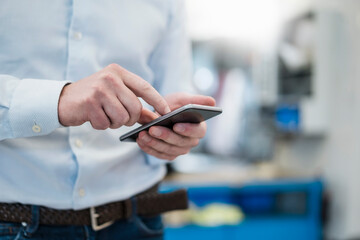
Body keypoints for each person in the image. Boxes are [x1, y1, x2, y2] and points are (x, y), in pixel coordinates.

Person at [0, 1, 215, 239]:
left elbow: (172, 89)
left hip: (137, 219)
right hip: (10, 220)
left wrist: (177, 130)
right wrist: (59, 100)